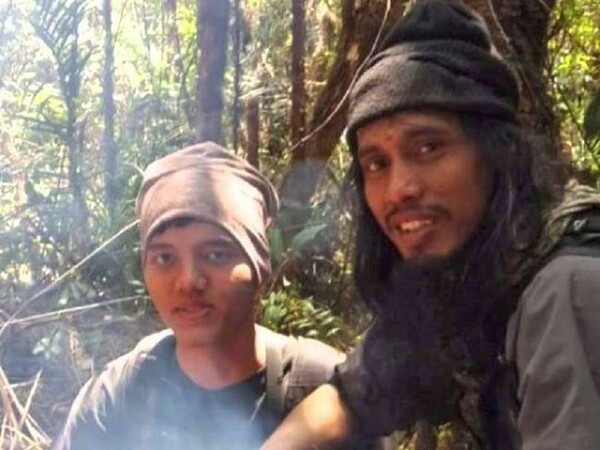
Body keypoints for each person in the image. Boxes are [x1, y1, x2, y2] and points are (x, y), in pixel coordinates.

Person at [262, 1, 600, 449]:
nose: (399, 189)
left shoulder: (567, 288)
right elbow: (351, 397)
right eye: (377, 163)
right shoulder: (465, 272)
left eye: (428, 148)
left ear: (497, 152)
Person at [53, 142, 386, 449]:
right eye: (165, 258)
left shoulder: (325, 391)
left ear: (257, 262)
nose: (188, 281)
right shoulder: (117, 396)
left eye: (216, 255)